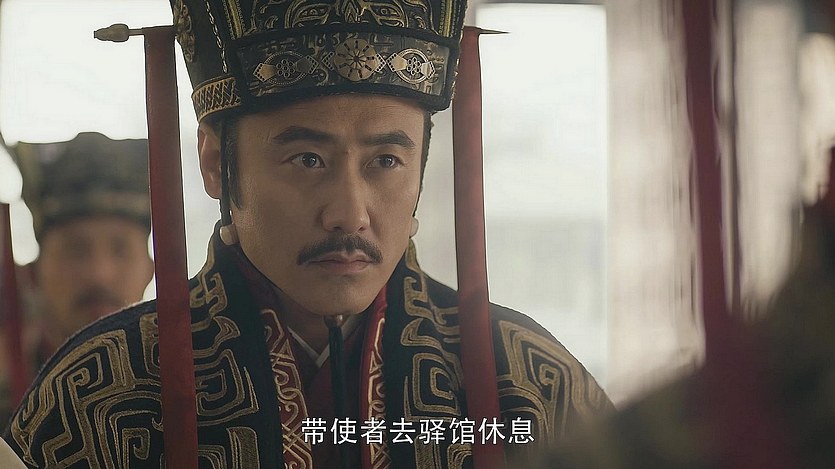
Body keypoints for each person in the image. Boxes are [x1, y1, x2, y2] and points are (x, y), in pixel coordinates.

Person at [3, 1, 611, 467]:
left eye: (386, 161)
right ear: (215, 163)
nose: (349, 213)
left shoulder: (526, 384)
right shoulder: (103, 396)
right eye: (308, 159)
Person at [0, 133, 153, 423]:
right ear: (34, 273)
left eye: (120, 249)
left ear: (150, 270)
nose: (100, 274)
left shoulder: (185, 394)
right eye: (75, 250)